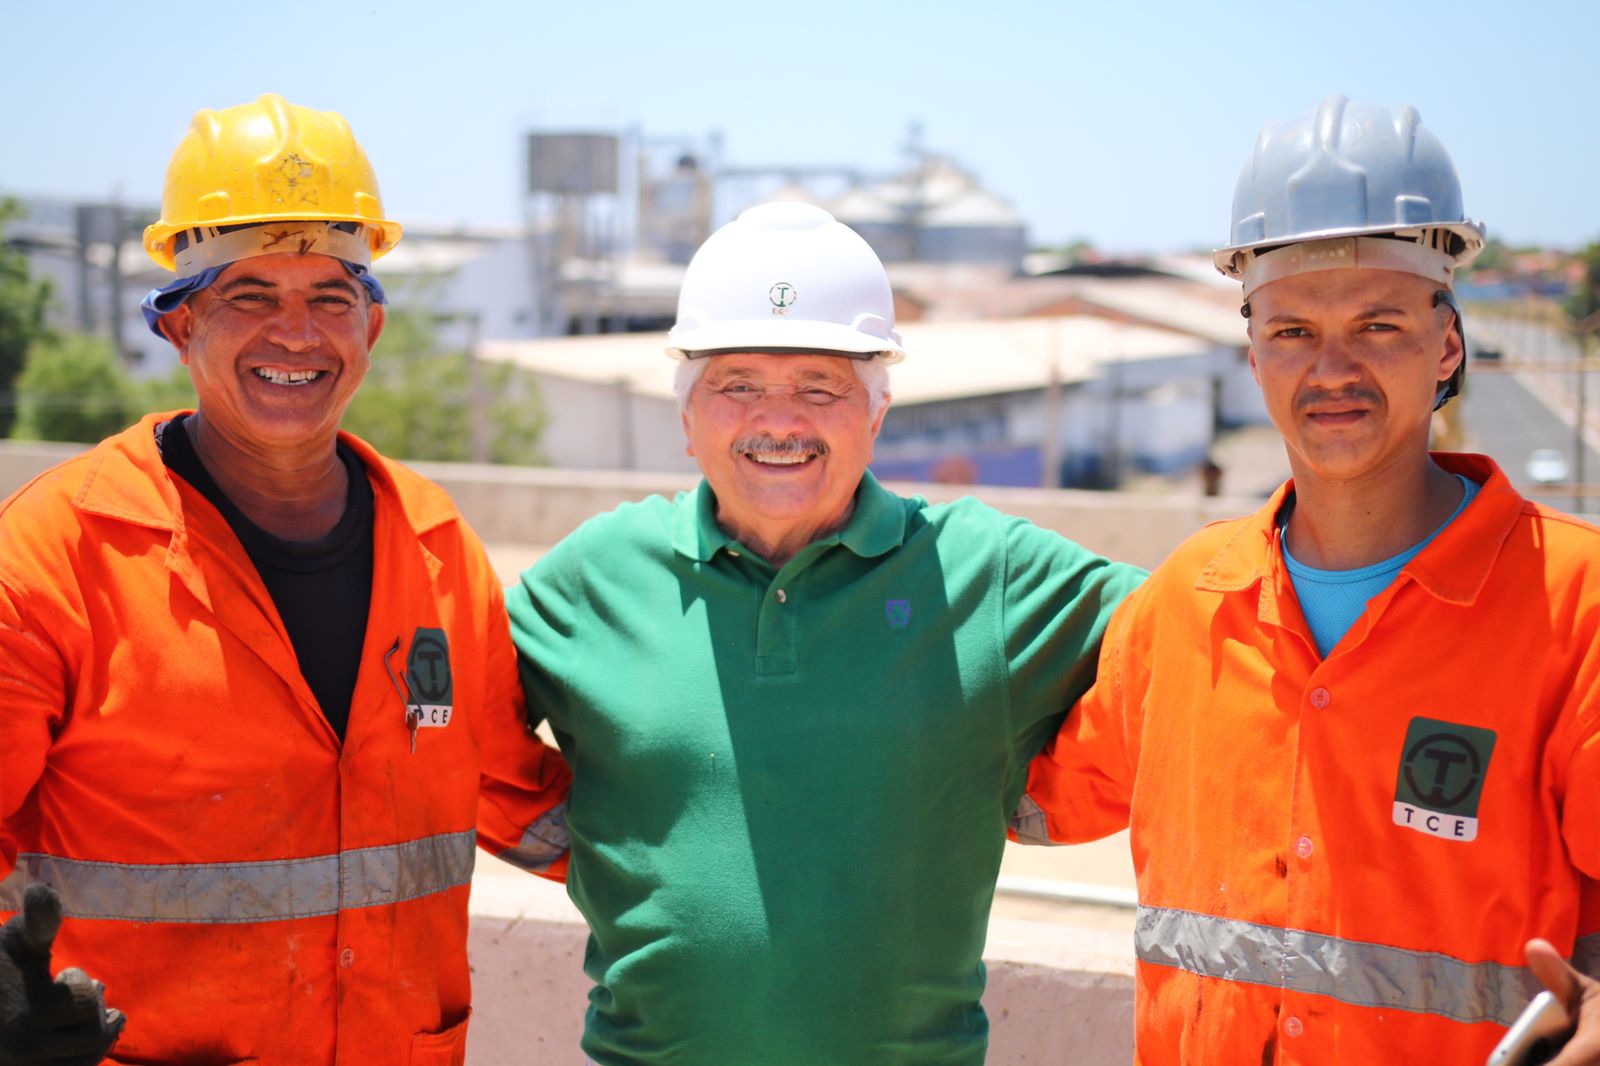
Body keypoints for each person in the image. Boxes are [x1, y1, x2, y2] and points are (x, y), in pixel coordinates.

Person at [1014, 95, 1600, 1063]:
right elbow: (1027, 788)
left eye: (1376, 325)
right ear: (1252, 356)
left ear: (1446, 345)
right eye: (1290, 331)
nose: (1331, 368)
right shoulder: (1190, 598)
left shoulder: (1573, 601)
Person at [0, 94, 571, 1065]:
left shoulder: (433, 545)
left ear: (373, 326)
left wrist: (714, 844)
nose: (295, 333)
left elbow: (510, 788)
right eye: (250, 294)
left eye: (329, 296)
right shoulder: (59, 554)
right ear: (179, 324)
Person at [506, 200, 1144, 1065]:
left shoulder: (987, 571)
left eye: (821, 386)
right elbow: (446, 719)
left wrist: (1034, 803)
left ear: (876, 413)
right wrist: (579, 848)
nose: (780, 421)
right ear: (687, 417)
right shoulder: (597, 575)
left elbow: (1195, 648)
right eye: (738, 386)